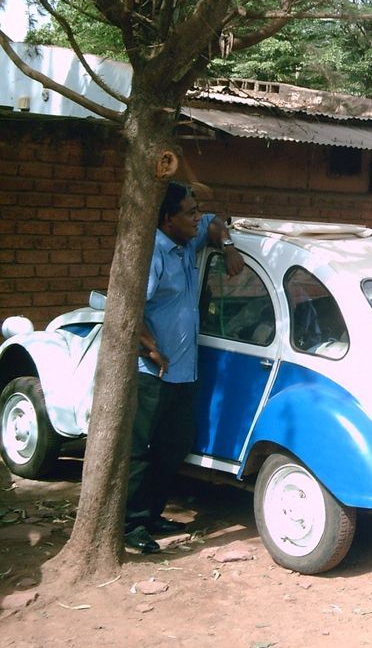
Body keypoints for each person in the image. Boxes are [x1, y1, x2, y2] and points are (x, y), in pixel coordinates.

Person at [124, 182, 243, 553]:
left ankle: (153, 514)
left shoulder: (187, 243)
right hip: (153, 373)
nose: (196, 218)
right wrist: (152, 348)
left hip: (183, 372)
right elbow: (131, 307)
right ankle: (131, 525)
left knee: (171, 447)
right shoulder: (155, 254)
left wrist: (228, 246)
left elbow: (214, 223)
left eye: (195, 211)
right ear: (166, 219)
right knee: (140, 451)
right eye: (188, 213)